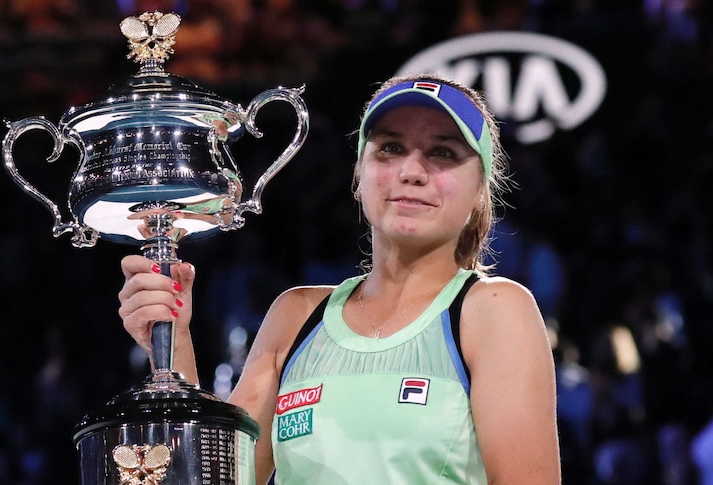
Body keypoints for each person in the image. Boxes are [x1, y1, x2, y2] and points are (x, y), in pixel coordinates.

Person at [117, 73, 562, 484]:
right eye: (390, 147)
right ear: (359, 175)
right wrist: (172, 339)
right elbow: (215, 477)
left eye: (443, 152)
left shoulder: (494, 310)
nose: (411, 171)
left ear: (480, 189)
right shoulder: (296, 316)